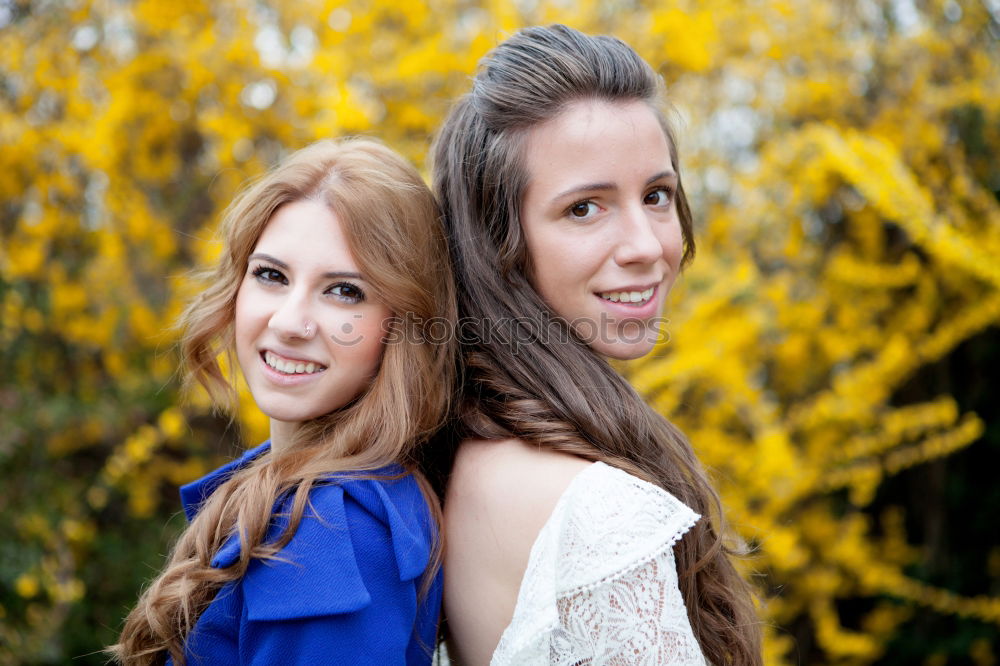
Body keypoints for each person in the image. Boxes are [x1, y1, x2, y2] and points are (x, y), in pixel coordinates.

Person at [430, 25, 762, 665]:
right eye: (585, 208)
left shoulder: (466, 448)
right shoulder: (588, 513)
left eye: (656, 195)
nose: (646, 245)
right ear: (495, 241)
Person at [110, 138, 457, 665]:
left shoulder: (328, 537)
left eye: (344, 291)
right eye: (271, 275)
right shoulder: (304, 493)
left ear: (402, 326)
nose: (290, 323)